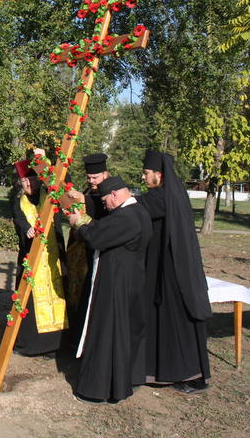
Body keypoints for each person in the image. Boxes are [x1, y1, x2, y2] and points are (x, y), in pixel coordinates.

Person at [67, 176, 152, 403]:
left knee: (106, 334)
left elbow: (96, 237)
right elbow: (104, 228)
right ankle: (122, 380)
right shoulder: (136, 212)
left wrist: (78, 223)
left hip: (115, 284)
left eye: (105, 200)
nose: (104, 205)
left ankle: (97, 388)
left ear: (115, 194)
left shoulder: (127, 217)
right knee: (120, 334)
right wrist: (86, 220)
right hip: (127, 281)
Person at [138, 150, 211, 393]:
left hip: (171, 270)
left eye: (147, 173)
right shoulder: (171, 195)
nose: (144, 176)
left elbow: (133, 209)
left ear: (159, 175)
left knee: (175, 321)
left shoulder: (160, 198)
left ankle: (186, 373)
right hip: (169, 267)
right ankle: (167, 369)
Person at [10, 159, 67, 357]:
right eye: (25, 181)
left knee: (56, 297)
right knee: (29, 302)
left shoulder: (50, 196)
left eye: (32, 180)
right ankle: (31, 345)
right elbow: (19, 219)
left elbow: (61, 183)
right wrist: (27, 230)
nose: (29, 185)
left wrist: (45, 162)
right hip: (31, 256)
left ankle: (55, 344)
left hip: (53, 256)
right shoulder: (19, 201)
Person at [65, 153, 111, 342]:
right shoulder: (89, 190)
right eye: (89, 178)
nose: (92, 181)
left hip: (98, 250)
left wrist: (84, 200)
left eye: (95, 177)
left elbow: (103, 212)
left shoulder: (110, 192)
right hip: (81, 249)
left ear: (105, 175)